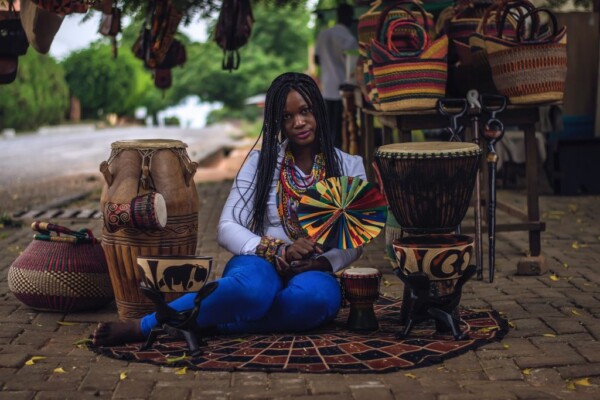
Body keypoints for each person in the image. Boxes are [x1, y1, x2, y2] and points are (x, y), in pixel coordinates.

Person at [92, 72, 367, 345]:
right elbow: (226, 229)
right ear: (276, 122)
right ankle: (144, 326)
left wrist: (321, 262)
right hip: (260, 261)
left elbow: (355, 241)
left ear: (317, 109)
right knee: (252, 292)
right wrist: (278, 250)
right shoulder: (260, 164)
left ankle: (206, 322)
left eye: (305, 111)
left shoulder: (349, 167)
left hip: (315, 270)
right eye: (286, 116)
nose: (299, 122)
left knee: (315, 301)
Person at [314, 3, 358, 149]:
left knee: (327, 129)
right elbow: (353, 65)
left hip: (326, 88)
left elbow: (316, 59)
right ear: (350, 18)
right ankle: (336, 164)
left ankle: (326, 160)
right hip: (343, 89)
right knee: (341, 131)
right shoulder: (349, 39)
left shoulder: (323, 34)